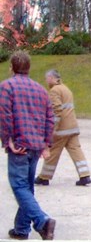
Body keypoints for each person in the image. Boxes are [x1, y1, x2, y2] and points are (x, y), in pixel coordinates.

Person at [0, 51, 56, 240]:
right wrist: (46, 144)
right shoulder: (41, 90)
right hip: (35, 145)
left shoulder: (7, 87)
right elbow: (50, 118)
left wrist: (8, 140)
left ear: (11, 67)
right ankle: (22, 228)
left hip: (20, 145)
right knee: (27, 186)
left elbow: (5, 116)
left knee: (19, 186)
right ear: (29, 68)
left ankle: (42, 221)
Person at [34, 70, 91, 186]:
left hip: (62, 129)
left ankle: (44, 177)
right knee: (76, 150)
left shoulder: (54, 91)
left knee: (53, 152)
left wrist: (52, 128)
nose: (46, 81)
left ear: (51, 78)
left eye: (47, 79)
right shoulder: (66, 88)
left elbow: (57, 110)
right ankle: (85, 175)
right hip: (73, 127)